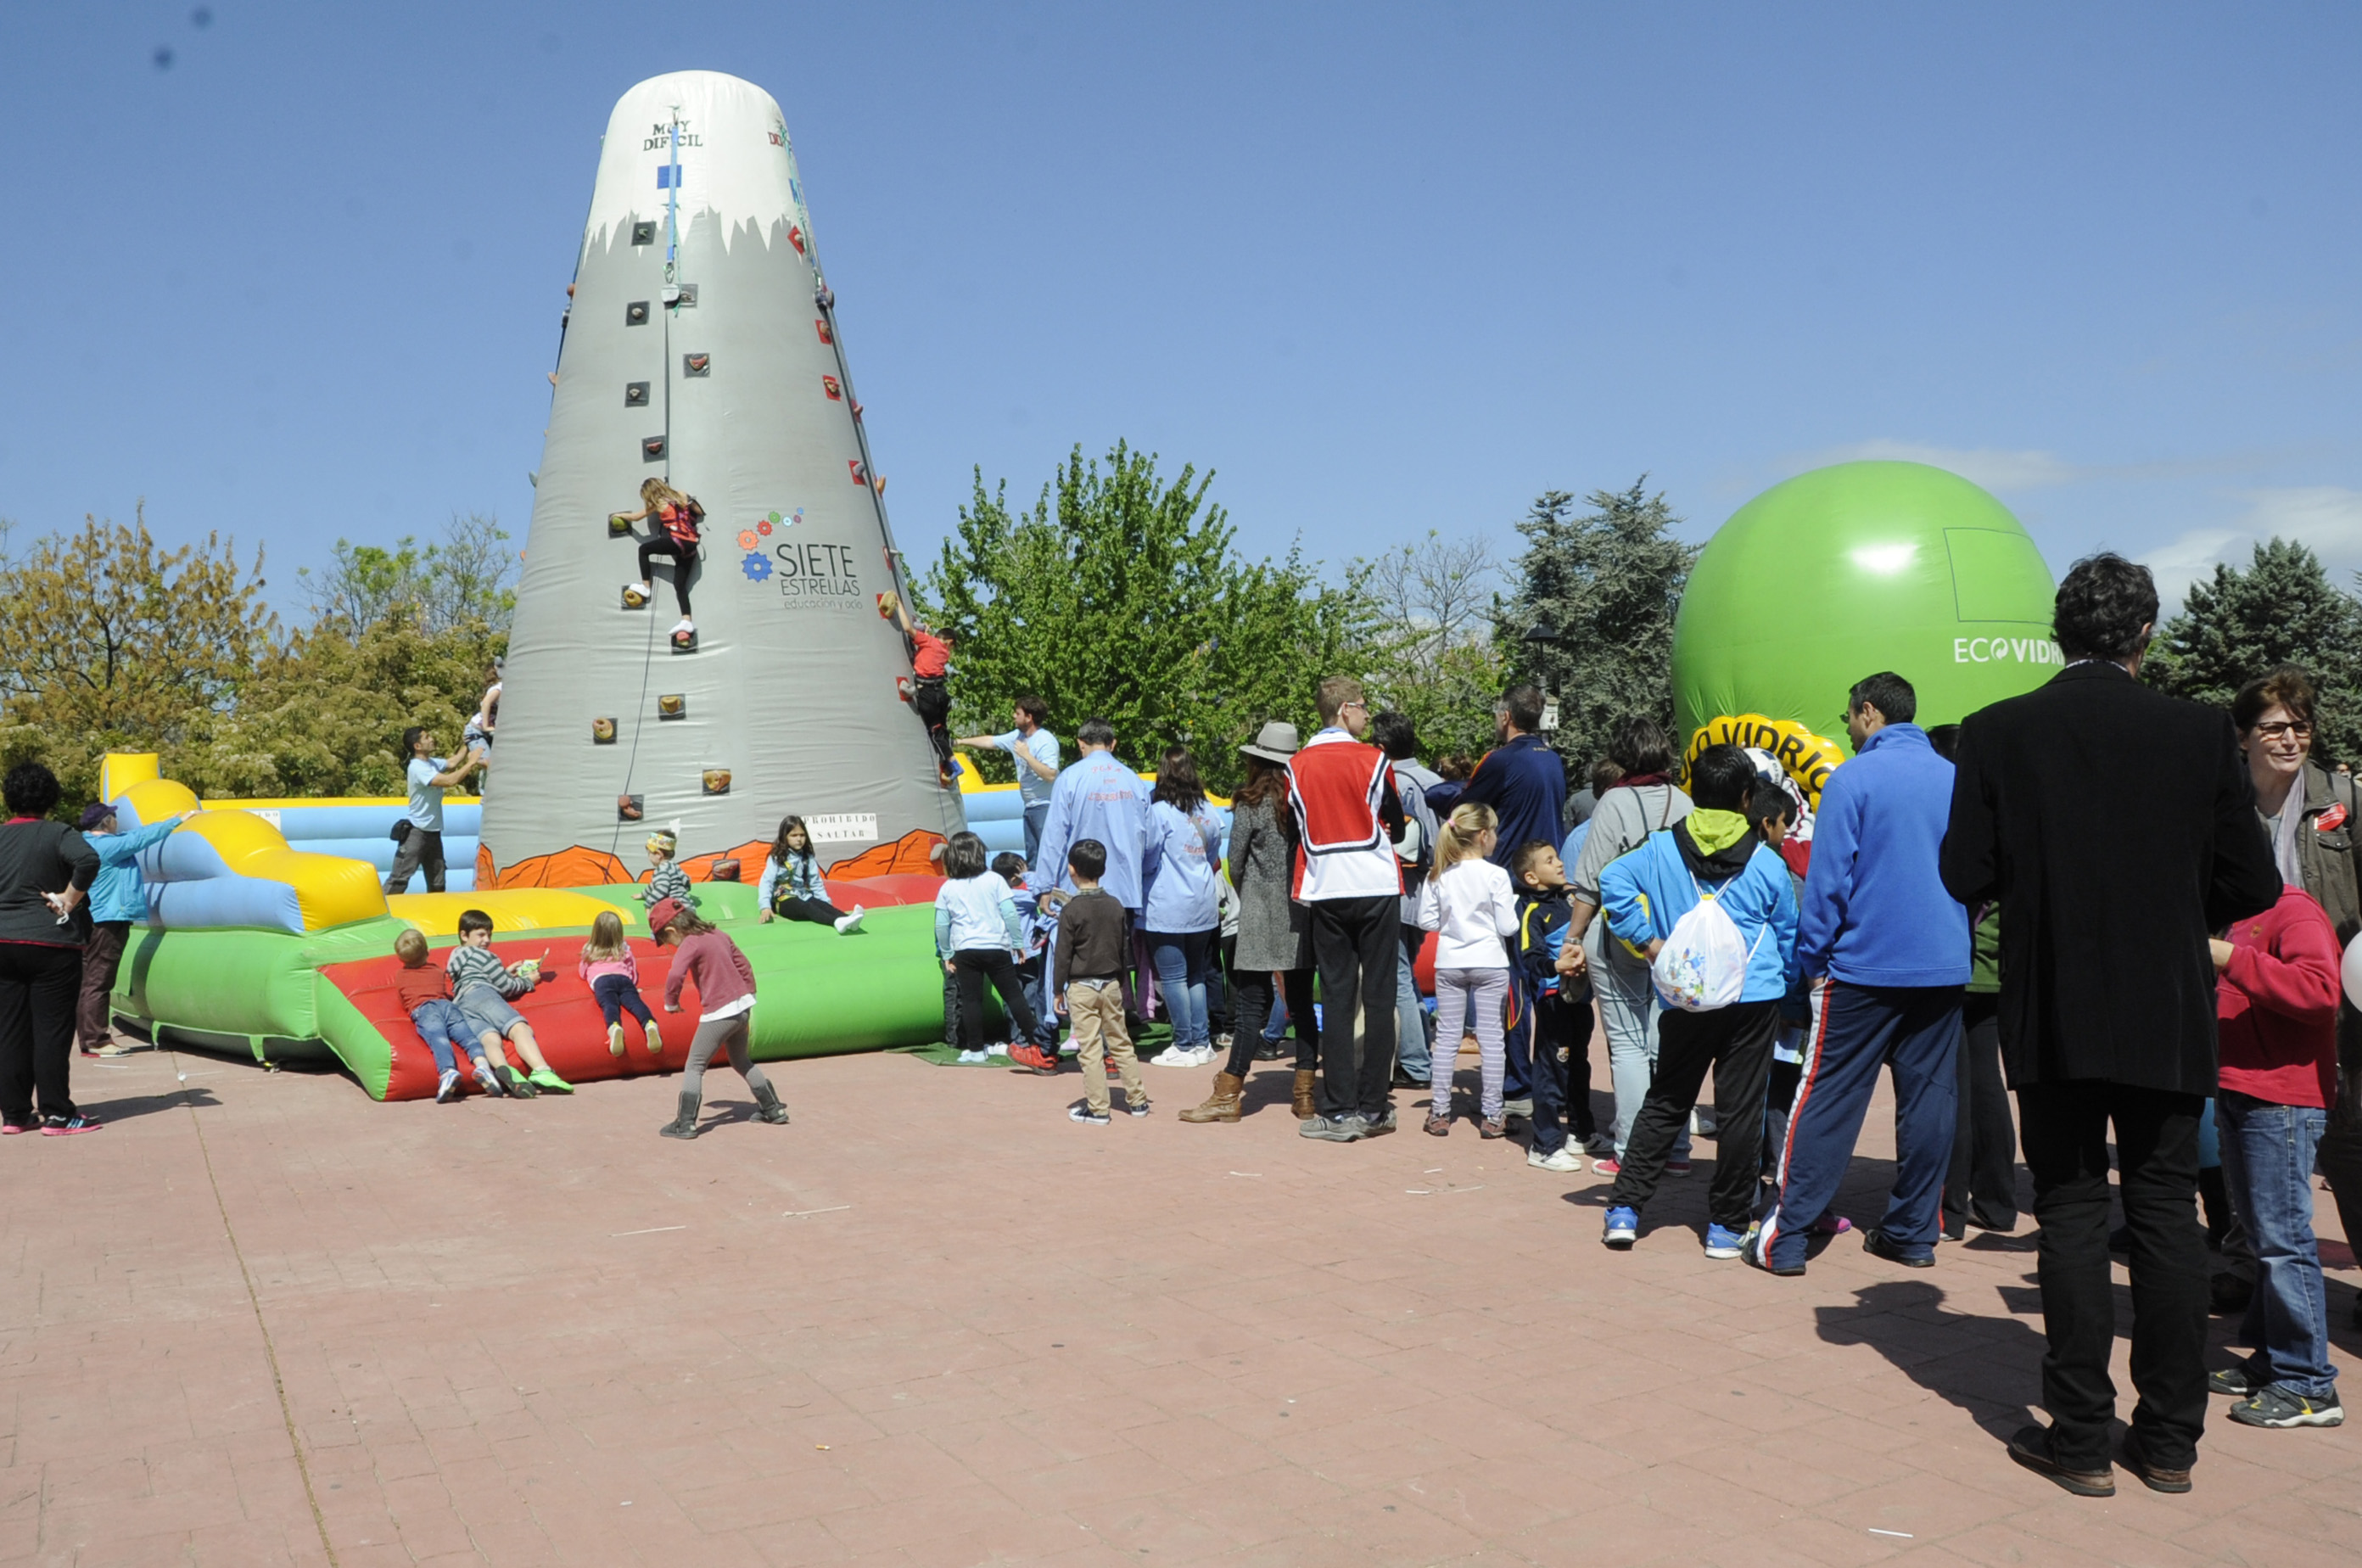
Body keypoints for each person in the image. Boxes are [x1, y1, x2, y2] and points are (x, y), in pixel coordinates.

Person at [1940, 552, 2278, 1498]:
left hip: (2052, 1001)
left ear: (2061, 633)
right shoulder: (2198, 731)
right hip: (2167, 1004)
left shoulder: (2001, 733)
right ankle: (2169, 1439)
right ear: (2144, 635)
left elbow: (1963, 873)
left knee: (2075, 1207)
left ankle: (2082, 1436)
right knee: (2167, 1212)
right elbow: (2250, 884)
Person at [1749, 672, 1968, 1275]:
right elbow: (1979, 873)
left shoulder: (1852, 779)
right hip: (1941, 965)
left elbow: (1827, 883)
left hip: (1862, 967)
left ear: (1868, 712)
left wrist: (1813, 957)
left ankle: (1786, 1236)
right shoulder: (1954, 779)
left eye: (1848, 717)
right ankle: (1914, 1231)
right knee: (1930, 1099)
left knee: (1826, 1097)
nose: (1847, 729)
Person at [1595, 743, 1798, 1258]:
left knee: (1666, 1101)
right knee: (1740, 1112)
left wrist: (1648, 943)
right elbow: (1789, 934)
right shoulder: (1767, 862)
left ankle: (1625, 1209)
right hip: (1753, 1001)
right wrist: (1792, 987)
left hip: (1685, 995)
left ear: (1693, 792)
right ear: (1747, 798)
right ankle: (1727, 1226)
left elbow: (1611, 879)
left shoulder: (1661, 848)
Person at [2222, 667, 2362, 1326]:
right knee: (2252, 1150)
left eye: (2299, 726)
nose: (2289, 738)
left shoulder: (2341, 801)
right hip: (2245, 994)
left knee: (2348, 1143)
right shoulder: (2223, 806)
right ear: (2244, 736)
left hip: (2333, 994)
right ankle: (2258, 1288)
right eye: (2274, 726)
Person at [2207, 882, 2345, 1429]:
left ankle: (2309, 1384)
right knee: (2264, 1239)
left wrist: (2232, 959)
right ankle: (2272, 1360)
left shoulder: (2294, 910)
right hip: (2241, 1090)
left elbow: (2320, 994)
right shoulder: (2238, 913)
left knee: (2283, 1241)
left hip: (2281, 1101)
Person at [1566, 717, 1694, 1174]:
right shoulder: (1683, 800)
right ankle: (1677, 1148)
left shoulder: (1615, 800)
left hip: (1621, 929)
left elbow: (1591, 880)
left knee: (1627, 1044)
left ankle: (1631, 1153)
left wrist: (1573, 937)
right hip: (1672, 934)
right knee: (1667, 1040)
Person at [1182, 724, 1319, 1124]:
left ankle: (1229, 1093)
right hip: (1300, 911)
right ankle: (1305, 1095)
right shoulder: (1304, 801)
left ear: (1256, 758)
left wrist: (1251, 893)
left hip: (1259, 912)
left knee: (1249, 1007)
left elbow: (1235, 861)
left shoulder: (1249, 802)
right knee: (1302, 1006)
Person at [1288, 677, 1407, 1142]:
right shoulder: (1374, 760)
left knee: (1336, 999)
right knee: (1379, 997)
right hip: (1376, 884)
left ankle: (1337, 1110)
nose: (1365, 715)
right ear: (1343, 711)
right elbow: (1394, 821)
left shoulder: (1295, 766)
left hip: (1326, 886)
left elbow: (1297, 825)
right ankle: (1374, 1107)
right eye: (1361, 707)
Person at [0, 764, 104, 1135]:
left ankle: (14, 1114)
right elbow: (89, 860)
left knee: (9, 1030)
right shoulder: (58, 832)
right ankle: (58, 1114)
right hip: (50, 943)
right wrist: (69, 900)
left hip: (3, 944)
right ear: (51, 798)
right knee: (51, 1031)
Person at [1417, 804, 1520, 1137]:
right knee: (1491, 1040)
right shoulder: (1496, 875)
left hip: (1450, 961)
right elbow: (1508, 927)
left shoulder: (1440, 874)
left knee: (1446, 1038)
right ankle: (1492, 1114)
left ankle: (1439, 1111)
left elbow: (1426, 921)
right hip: (1490, 961)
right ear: (1483, 835)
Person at [652, 897, 791, 1138]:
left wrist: (671, 1003)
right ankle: (773, 1108)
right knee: (740, 1060)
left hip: (720, 1013)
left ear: (672, 930)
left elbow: (675, 974)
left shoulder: (690, 943)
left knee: (694, 1065)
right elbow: (744, 965)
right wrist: (748, 994)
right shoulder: (717, 933)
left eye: (665, 939)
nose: (669, 944)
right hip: (742, 1008)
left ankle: (686, 1123)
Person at [76, 800, 191, 1057]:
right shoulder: (106, 847)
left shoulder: (90, 843)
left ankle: (89, 1038)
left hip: (93, 919)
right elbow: (138, 840)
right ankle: (97, 1040)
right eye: (113, 817)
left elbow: (131, 836)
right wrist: (176, 822)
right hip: (109, 920)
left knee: (89, 981)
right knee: (100, 980)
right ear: (106, 822)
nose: (118, 821)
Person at [1509, 838, 1593, 1169]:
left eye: (1557, 857)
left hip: (1580, 997)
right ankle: (1543, 1146)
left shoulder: (1571, 899)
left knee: (1579, 1064)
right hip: (1552, 1000)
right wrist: (1555, 967)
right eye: (1549, 860)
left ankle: (1581, 1133)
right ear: (1532, 877)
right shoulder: (1532, 910)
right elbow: (1529, 957)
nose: (1559, 863)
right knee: (1551, 1069)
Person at [1141, 748, 1223, 1070]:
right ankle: (1202, 1042)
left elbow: (1147, 856)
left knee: (1173, 977)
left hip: (1167, 904)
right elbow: (1212, 852)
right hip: (1202, 903)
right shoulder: (1208, 809)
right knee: (1196, 974)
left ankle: (1184, 1042)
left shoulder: (1159, 812)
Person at [1055, 839, 1148, 1123]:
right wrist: (1122, 981)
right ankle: (1138, 1101)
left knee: (1091, 1049)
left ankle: (1098, 1108)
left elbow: (1063, 955)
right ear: (1103, 869)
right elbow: (1123, 948)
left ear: (1072, 870)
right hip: (1110, 983)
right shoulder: (1115, 905)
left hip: (1082, 986)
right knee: (1121, 1042)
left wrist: (1058, 990)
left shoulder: (1071, 911)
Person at [1372, 712, 1440, 1091]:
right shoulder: (1433, 779)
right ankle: (1419, 1054)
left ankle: (1415, 1063)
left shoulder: (1395, 781)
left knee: (1397, 976)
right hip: (1428, 889)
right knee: (1407, 976)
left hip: (1402, 888)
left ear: (1381, 748)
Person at [934, 832, 1043, 1064]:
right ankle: (1038, 1042)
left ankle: (975, 1050)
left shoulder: (948, 888)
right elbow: (1009, 913)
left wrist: (947, 953)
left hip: (965, 949)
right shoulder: (994, 880)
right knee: (1014, 996)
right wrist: (1017, 942)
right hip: (996, 946)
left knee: (972, 1000)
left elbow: (942, 924)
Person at [1030, 716, 1151, 922]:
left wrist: (1044, 885)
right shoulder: (1134, 781)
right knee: (1119, 952)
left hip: (1078, 890)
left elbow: (1054, 836)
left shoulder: (1069, 778)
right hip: (1125, 891)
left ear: (1080, 743)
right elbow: (1148, 837)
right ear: (1113, 744)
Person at [446, 910, 574, 1095]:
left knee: (490, 1038)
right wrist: (529, 981)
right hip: (482, 994)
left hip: (462, 1005)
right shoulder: (485, 955)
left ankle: (504, 1068)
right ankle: (541, 1071)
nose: (486, 940)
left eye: (489, 935)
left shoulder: (455, 955)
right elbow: (505, 987)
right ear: (464, 935)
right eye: (481, 935)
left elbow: (475, 974)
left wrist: (505, 971)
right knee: (519, 1028)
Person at [1459, 685, 1567, 873]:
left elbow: (1465, 809)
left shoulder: (1502, 760)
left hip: (1513, 871)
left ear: (1506, 716)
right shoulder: (1553, 758)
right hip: (1548, 868)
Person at [392, 928, 504, 1100]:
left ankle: (448, 1071)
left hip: (425, 1009)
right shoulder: (436, 970)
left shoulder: (400, 975)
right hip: (447, 1006)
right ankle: (482, 1066)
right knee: (469, 1038)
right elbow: (444, 989)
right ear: (427, 952)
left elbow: (402, 998)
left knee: (439, 1039)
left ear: (400, 958)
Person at [956, 697, 1061, 862]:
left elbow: (1050, 775)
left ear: (1029, 717)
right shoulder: (1018, 737)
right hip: (1030, 806)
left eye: (1017, 713)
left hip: (1045, 806)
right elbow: (990, 741)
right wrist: (960, 741)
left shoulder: (1045, 741)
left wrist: (1026, 755)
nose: (1013, 716)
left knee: (1048, 856)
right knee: (1033, 856)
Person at [388, 727, 484, 895]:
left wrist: (467, 742)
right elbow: (449, 781)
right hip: (416, 832)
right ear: (417, 746)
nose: (432, 739)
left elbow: (453, 763)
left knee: (438, 882)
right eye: (427, 737)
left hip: (433, 833)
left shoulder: (430, 763)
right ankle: (378, 915)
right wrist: (471, 762)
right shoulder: (418, 768)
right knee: (399, 879)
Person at [613, 478, 706, 639]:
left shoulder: (658, 503)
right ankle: (686, 620)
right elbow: (699, 511)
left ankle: (646, 588)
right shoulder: (681, 495)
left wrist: (618, 515)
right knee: (679, 584)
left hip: (678, 541)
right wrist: (689, 502)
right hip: (691, 546)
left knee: (644, 550)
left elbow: (636, 517)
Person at [882, 591, 957, 786]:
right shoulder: (943, 653)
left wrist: (898, 604)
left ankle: (952, 762)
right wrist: (926, 633)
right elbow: (930, 651)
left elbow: (907, 628)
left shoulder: (929, 642)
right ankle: (946, 766)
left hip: (927, 691)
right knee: (942, 730)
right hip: (941, 693)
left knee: (933, 730)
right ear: (949, 643)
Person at [755, 816, 864, 933]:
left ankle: (849, 919)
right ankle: (836, 922)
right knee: (807, 908)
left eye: (802, 835)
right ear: (784, 837)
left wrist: (825, 903)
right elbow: (767, 881)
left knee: (820, 904)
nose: (799, 839)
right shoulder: (777, 857)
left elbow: (816, 882)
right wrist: (765, 907)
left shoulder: (807, 857)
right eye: (794, 835)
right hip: (783, 900)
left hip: (802, 895)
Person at [579, 909, 662, 1058]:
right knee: (636, 1004)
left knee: (610, 1005)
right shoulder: (624, 949)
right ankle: (649, 1023)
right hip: (623, 979)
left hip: (602, 980)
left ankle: (614, 1027)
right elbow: (632, 968)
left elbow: (582, 971)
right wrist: (633, 984)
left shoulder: (590, 949)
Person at [640, 824, 698, 910]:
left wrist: (648, 903)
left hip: (674, 910)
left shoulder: (662, 870)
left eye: (649, 853)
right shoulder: (674, 866)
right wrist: (643, 894)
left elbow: (661, 888)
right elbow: (687, 882)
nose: (648, 856)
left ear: (658, 854)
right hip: (688, 906)